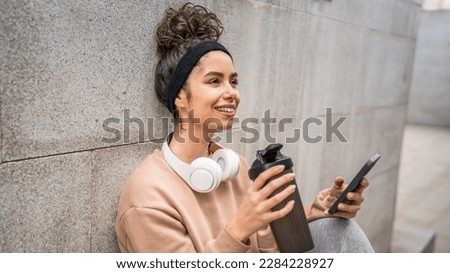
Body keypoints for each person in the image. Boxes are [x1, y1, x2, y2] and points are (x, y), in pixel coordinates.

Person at [115, 2, 373, 253]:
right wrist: (238, 229)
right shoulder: (148, 197)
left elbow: (262, 247)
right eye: (214, 81)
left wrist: (312, 212)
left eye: (233, 82)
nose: (231, 93)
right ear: (179, 97)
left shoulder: (231, 167)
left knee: (339, 230)